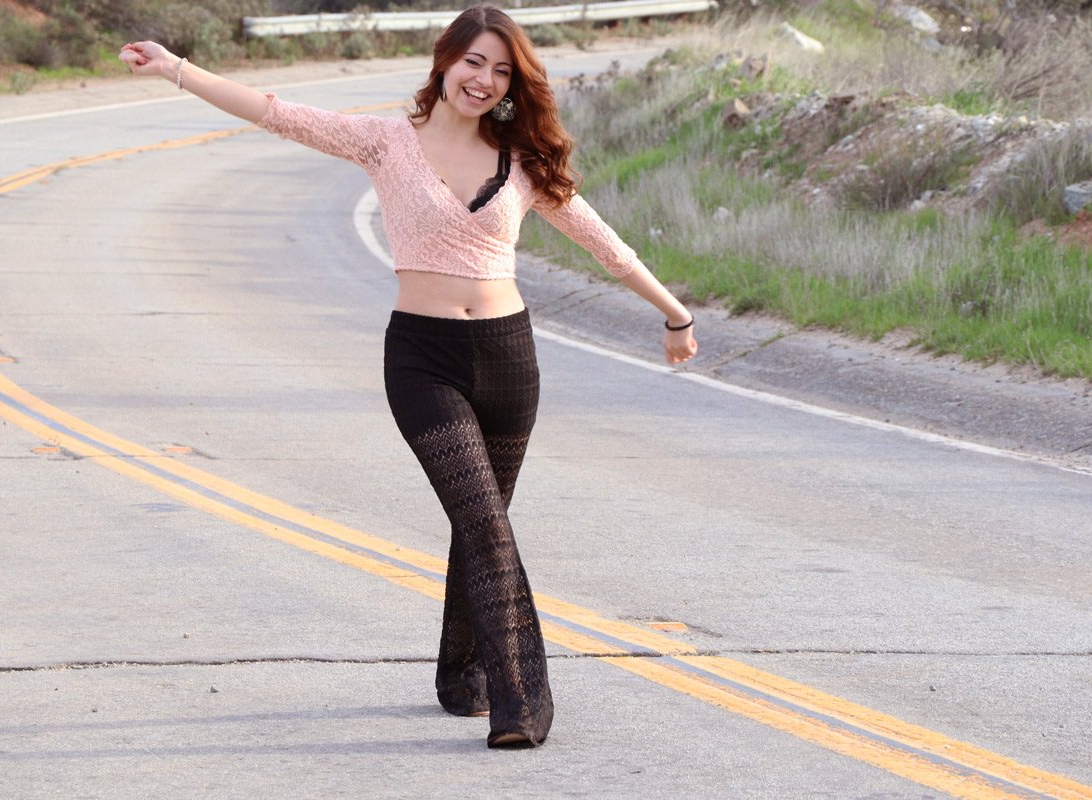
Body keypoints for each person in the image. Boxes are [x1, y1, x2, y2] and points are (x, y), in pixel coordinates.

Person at [119, 4, 697, 749]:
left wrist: (675, 314)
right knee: (485, 525)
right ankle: (521, 704)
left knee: (479, 527)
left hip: (508, 359)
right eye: (473, 62)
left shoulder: (522, 160)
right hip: (423, 359)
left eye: (501, 71)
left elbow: (604, 245)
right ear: (445, 61)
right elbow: (275, 112)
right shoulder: (386, 142)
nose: (484, 81)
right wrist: (175, 70)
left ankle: (463, 677)